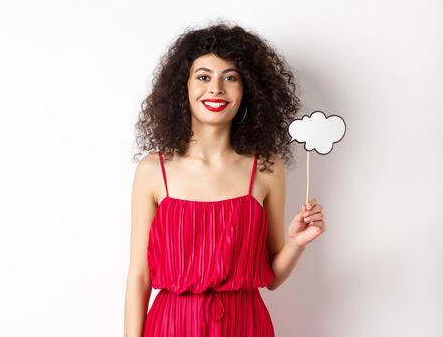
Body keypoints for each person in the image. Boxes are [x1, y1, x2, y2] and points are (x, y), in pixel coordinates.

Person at [124, 20, 326, 337]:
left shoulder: (266, 167)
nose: (216, 88)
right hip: (172, 326)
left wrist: (296, 243)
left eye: (230, 77)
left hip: (245, 326)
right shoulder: (153, 170)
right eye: (203, 77)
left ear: (247, 90)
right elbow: (139, 276)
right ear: (184, 88)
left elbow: (271, 277)